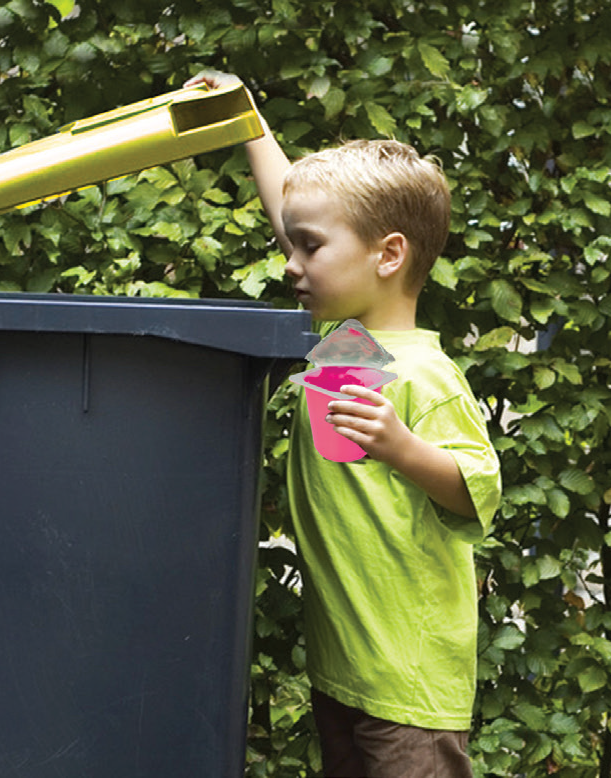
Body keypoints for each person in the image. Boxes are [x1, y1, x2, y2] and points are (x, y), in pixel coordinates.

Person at [187, 74, 503, 778]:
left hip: (408, 681)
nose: (290, 264)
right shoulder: (346, 342)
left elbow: (479, 486)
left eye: (309, 250)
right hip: (346, 667)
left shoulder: (423, 373)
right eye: (292, 246)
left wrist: (403, 447)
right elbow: (295, 209)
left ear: (386, 256)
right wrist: (245, 121)